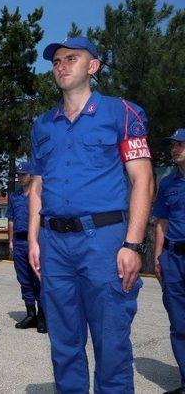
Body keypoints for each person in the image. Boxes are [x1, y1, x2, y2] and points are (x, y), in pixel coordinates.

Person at [29, 36, 154, 393]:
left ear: (93, 66)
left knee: (111, 344)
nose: (62, 65)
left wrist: (133, 244)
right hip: (54, 244)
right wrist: (35, 240)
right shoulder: (43, 125)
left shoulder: (122, 112)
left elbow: (142, 178)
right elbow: (37, 185)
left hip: (103, 241)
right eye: (56, 62)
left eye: (71, 58)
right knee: (64, 345)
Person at [153, 128, 185, 394]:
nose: (175, 149)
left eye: (180, 144)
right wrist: (157, 257)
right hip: (173, 258)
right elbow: (161, 222)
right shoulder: (167, 183)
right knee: (179, 323)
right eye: (173, 145)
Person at [7, 162, 45, 333]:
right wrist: (10, 241)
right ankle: (31, 313)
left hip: (35, 242)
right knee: (24, 280)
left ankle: (43, 316)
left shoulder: (39, 195)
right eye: (18, 174)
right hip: (19, 242)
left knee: (38, 279)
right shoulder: (14, 196)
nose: (20, 177)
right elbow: (11, 219)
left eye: (23, 174)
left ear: (31, 175)